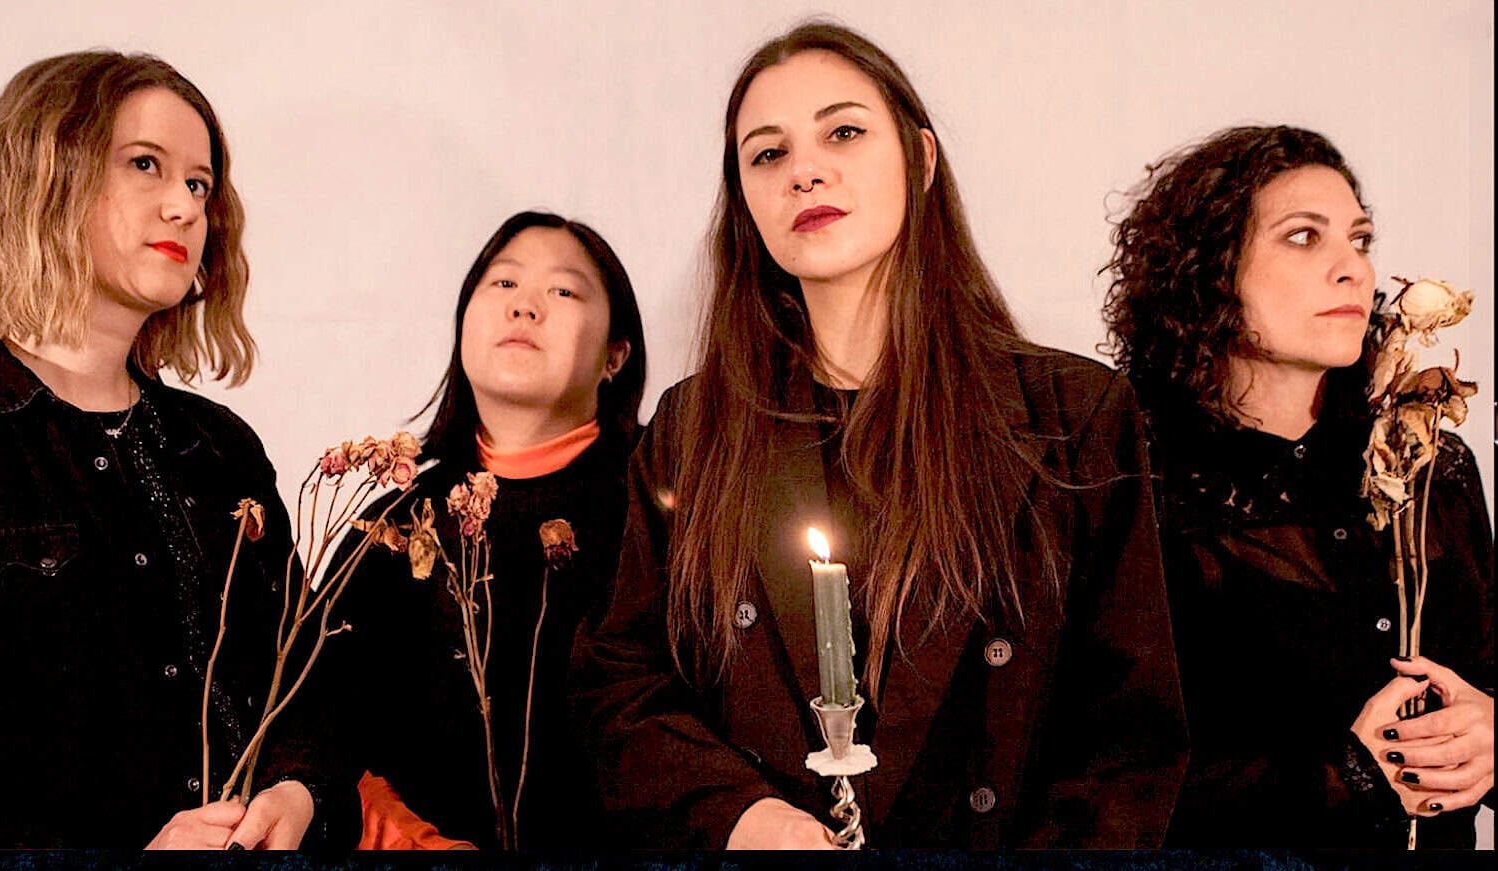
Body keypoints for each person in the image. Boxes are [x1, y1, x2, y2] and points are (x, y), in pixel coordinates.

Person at [568, 22, 1186, 849]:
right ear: (745, 201)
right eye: (766, 154)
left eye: (844, 132)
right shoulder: (693, 429)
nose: (804, 171)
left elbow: (1131, 733)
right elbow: (620, 686)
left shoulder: (1072, 412)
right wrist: (741, 815)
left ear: (921, 161)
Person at [0, 51, 336, 848]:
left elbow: (301, 684)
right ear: (42, 173)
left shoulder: (220, 448)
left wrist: (299, 790)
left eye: (199, 184)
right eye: (145, 165)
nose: (185, 207)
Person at [1102, 124, 1494, 848]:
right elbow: (1103, 780)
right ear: (1208, 268)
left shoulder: (1431, 466)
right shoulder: (1133, 482)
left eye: (1360, 239)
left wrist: (1488, 732)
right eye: (1302, 237)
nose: (1352, 269)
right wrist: (1345, 772)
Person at [321, 211, 646, 849]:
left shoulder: (661, 511)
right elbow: (317, 724)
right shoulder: (394, 525)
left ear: (616, 355)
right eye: (502, 285)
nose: (525, 307)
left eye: (563, 291)